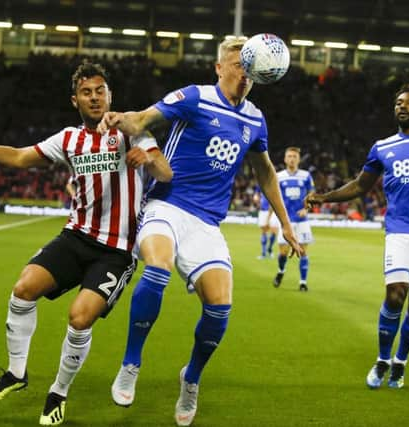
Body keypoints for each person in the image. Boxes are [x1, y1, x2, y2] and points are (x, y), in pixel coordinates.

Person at [0, 61, 172, 426]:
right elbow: (18, 157)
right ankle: (17, 374)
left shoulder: (133, 129)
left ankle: (58, 393)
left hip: (116, 251)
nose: (94, 98)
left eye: (100, 91)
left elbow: (165, 173)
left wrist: (148, 158)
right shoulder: (68, 139)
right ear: (75, 100)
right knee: (23, 289)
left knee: (79, 318)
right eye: (86, 92)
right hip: (76, 236)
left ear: (110, 95)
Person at [97, 38, 303, 426]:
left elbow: (265, 173)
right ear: (219, 67)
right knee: (156, 269)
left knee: (220, 308)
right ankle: (130, 363)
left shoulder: (255, 119)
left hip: (207, 223)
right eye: (236, 62)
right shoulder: (194, 97)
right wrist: (117, 117)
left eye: (249, 64)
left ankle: (190, 378)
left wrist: (286, 225)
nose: (243, 69)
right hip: (167, 206)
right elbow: (141, 119)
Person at [306, 84, 409, 389]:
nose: (402, 106)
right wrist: (324, 197)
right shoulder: (382, 147)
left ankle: (400, 362)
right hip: (398, 231)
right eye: (398, 102)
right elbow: (359, 186)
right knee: (395, 294)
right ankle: (382, 360)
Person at [272, 147, 315, 291]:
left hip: (302, 221)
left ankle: (303, 282)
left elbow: (312, 195)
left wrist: (307, 209)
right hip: (286, 221)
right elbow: (274, 197)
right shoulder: (278, 176)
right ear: (285, 159)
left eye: (294, 156)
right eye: (289, 156)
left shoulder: (306, 176)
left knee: (303, 252)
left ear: (298, 159)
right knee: (283, 252)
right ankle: (281, 271)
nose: (291, 159)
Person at [253, 184, 279, 259]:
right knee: (264, 230)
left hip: (273, 210)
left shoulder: (274, 183)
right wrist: (256, 198)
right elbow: (256, 194)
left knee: (274, 231)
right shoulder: (260, 183)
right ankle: (264, 253)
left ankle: (270, 249)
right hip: (263, 210)